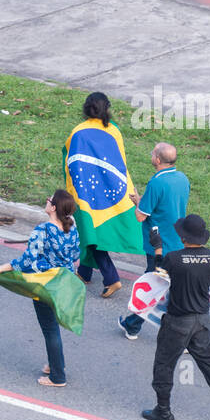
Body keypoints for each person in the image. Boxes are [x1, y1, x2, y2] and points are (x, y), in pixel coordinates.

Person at [140, 215, 210, 420]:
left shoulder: (174, 258)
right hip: (202, 320)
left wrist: (157, 248)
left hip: (177, 321)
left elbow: (159, 274)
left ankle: (163, 410)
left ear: (183, 237)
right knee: (209, 364)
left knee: (164, 364)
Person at [0, 189, 81, 387]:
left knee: (50, 329)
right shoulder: (72, 228)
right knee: (53, 326)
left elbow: (28, 259)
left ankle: (57, 376)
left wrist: (1, 268)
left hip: (44, 284)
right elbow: (76, 253)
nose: (46, 201)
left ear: (53, 207)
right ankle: (54, 364)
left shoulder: (43, 230)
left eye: (49, 200)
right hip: (64, 282)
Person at [119, 142, 190, 339]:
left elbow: (141, 217)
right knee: (169, 288)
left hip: (158, 244)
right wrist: (142, 202)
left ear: (157, 159)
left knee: (153, 287)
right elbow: (167, 207)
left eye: (153, 153)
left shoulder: (156, 182)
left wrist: (138, 206)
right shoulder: (182, 179)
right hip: (177, 241)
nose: (151, 155)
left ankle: (133, 326)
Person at [71, 92, 130, 299]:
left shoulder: (78, 131)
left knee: (90, 234)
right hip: (110, 193)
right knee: (90, 233)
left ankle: (111, 278)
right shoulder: (114, 130)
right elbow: (120, 163)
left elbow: (72, 162)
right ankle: (84, 272)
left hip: (86, 193)